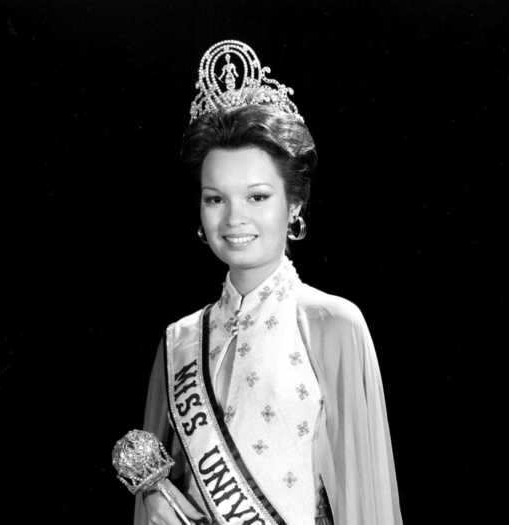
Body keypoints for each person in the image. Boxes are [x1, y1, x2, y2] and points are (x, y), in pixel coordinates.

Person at [134, 40, 403, 525]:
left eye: (257, 196)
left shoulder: (333, 325)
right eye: (216, 199)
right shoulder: (179, 342)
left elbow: (366, 501)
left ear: (294, 204)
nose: (235, 218)